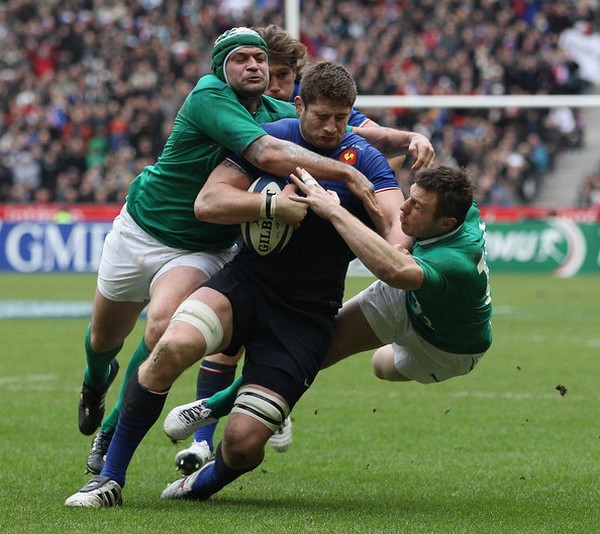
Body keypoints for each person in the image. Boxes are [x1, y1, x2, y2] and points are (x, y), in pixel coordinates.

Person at [64, 60, 406, 507]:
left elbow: (395, 237)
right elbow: (208, 201)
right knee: (170, 346)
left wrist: (336, 211)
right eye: (322, 116)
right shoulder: (273, 138)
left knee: (244, 445)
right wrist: (269, 208)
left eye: (342, 118)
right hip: (245, 285)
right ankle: (108, 480)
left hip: (305, 315)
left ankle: (198, 485)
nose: (332, 127)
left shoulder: (366, 159)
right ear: (299, 105)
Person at [173, 23, 434, 472]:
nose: (271, 84)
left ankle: (254, 408)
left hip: (309, 297)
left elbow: (368, 135)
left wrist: (411, 139)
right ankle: (184, 440)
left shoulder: (342, 131)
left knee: (260, 371)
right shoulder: (250, 119)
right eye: (264, 74)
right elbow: (212, 197)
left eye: (282, 76)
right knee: (184, 336)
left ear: (295, 80)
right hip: (245, 261)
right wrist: (270, 205)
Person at [163, 164, 493, 444]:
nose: (404, 208)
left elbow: (393, 269)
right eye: (410, 196)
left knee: (381, 367)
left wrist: (334, 209)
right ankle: (214, 406)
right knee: (309, 351)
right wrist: (407, 140)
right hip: (405, 300)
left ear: (447, 224)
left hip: (445, 348)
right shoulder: (459, 205)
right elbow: (400, 251)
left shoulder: (455, 261)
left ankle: (260, 398)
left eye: (417, 207)